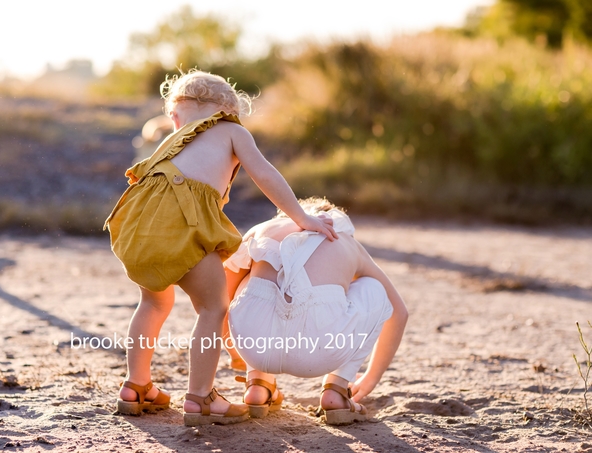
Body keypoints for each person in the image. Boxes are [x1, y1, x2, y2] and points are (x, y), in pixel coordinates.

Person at [104, 70, 337, 426]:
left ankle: (135, 387)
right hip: (183, 228)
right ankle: (200, 398)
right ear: (229, 109)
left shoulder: (171, 141)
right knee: (213, 308)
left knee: (153, 302)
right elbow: (266, 174)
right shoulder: (232, 130)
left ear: (177, 114)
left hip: (139, 227)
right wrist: (302, 217)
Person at [223, 198, 408, 425]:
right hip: (320, 352)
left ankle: (257, 384)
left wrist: (237, 354)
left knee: (248, 280)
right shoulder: (347, 242)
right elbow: (399, 312)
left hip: (254, 347)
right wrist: (370, 378)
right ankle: (337, 390)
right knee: (374, 289)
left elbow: (222, 298)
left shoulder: (265, 229)